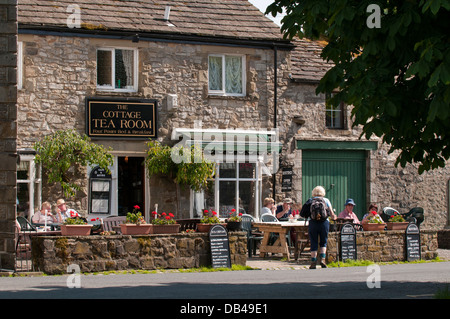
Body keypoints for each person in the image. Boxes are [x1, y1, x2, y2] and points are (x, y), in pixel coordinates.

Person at [300, 186, 336, 269]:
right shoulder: (326, 200)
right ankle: (322, 259)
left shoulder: (310, 201)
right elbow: (331, 213)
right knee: (323, 242)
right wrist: (334, 217)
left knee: (313, 242)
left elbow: (302, 214)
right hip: (324, 223)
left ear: (313, 192)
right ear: (323, 193)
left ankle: (313, 261)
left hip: (313, 223)